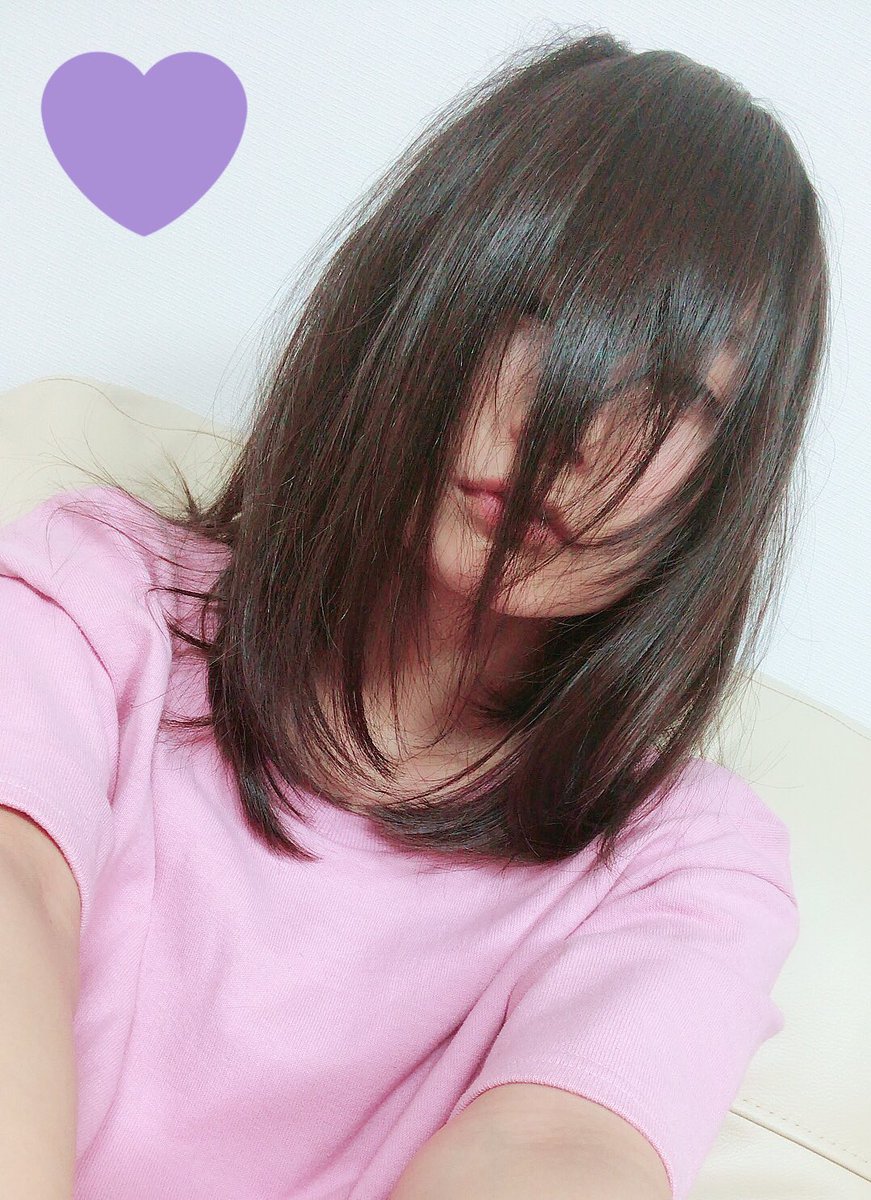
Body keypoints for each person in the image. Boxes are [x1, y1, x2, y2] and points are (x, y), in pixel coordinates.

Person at [0, 28, 828, 1200]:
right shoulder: (95, 595)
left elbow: (560, 1148)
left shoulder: (684, 860)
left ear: (723, 483)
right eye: (531, 314)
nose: (571, 433)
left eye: (678, 394)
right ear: (408, 302)